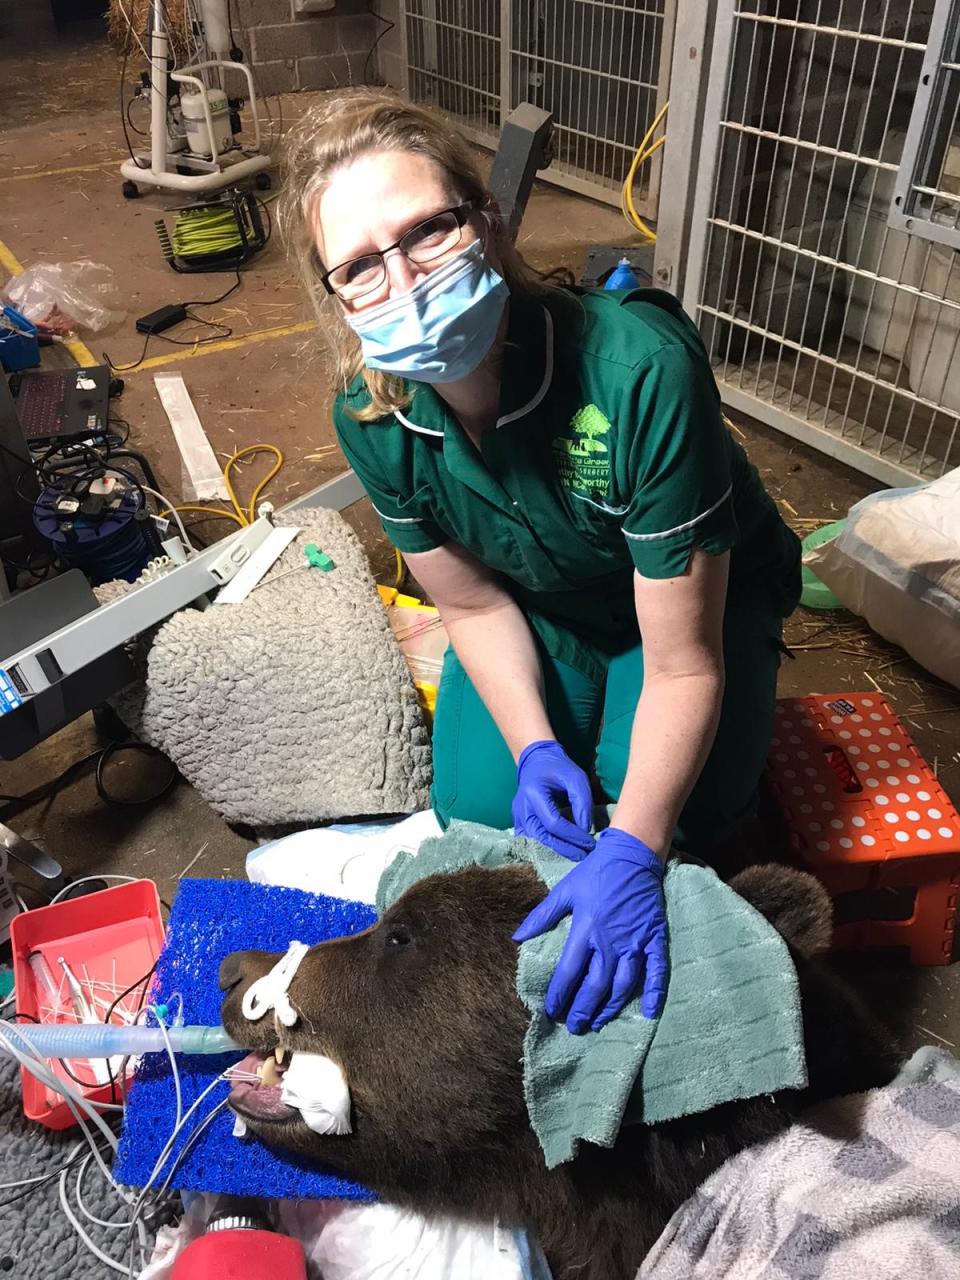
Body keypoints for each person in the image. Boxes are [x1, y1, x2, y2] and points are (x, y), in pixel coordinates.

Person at [281, 89, 801, 1035]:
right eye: (359, 266)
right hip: (544, 604)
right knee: (478, 810)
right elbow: (473, 607)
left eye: (428, 230)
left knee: (689, 815)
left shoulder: (637, 371)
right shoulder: (373, 419)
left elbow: (684, 661)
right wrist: (531, 746)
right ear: (334, 293)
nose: (403, 283)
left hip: (692, 618)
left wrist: (637, 847)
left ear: (489, 221)